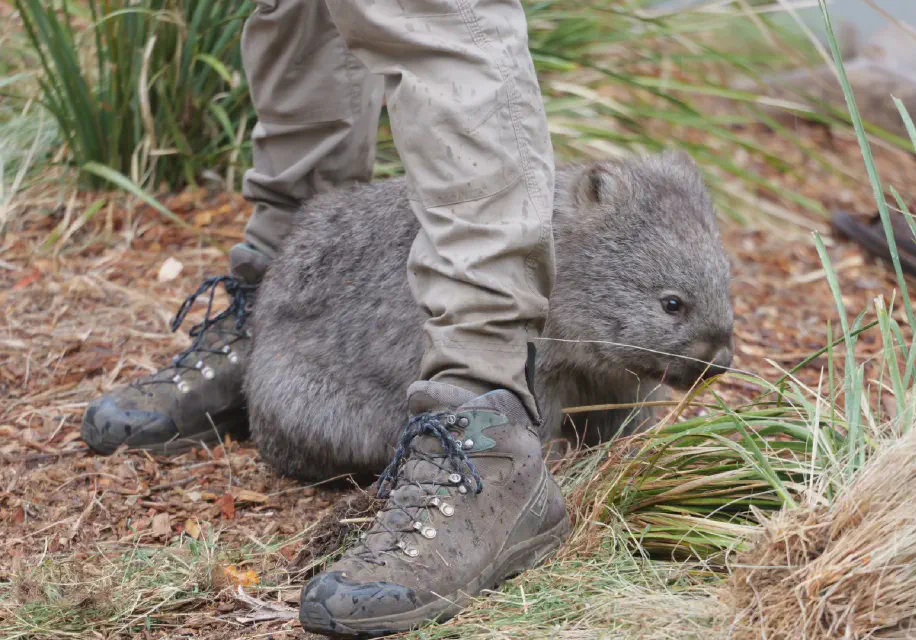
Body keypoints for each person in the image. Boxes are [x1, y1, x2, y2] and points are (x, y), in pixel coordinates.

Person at [81, 0, 568, 635]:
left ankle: (485, 403)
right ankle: (285, 302)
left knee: (432, 13)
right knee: (297, 9)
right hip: (312, 275)